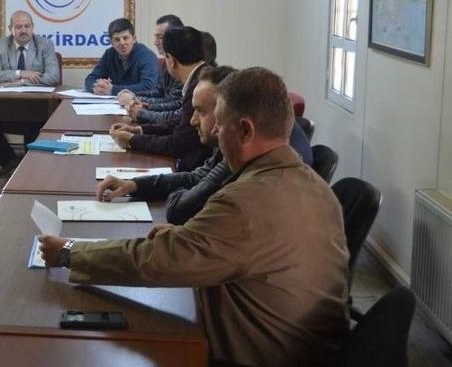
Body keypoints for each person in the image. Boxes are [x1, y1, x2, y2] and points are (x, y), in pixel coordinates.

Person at [40, 67, 350, 366]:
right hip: (304, 345)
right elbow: (230, 249)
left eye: (220, 124)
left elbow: (158, 260)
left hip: (259, 355)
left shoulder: (245, 203)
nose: (214, 130)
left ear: (244, 130)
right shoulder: (317, 188)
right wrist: (186, 241)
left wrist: (70, 252)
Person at [98, 65, 313, 226]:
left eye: (201, 111)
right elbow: (196, 178)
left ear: (225, 110)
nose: (192, 121)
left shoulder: (247, 148)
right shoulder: (258, 136)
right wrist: (134, 185)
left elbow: (179, 209)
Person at [110, 26, 211, 171]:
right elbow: (179, 122)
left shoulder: (200, 86)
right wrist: (139, 130)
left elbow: (179, 143)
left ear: (171, 60)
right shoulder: (200, 76)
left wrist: (133, 140)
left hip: (194, 170)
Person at [0, 10, 60, 177]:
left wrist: (20, 82)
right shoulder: (0, 45)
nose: (23, 30)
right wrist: (20, 73)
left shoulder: (44, 44)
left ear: (32, 27)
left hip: (34, 106)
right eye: (18, 27)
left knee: (34, 122)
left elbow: (53, 77)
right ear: (11, 28)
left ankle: (28, 169)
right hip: (6, 106)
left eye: (27, 26)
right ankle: (8, 160)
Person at [119, 15, 186, 125]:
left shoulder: (182, 64)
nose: (155, 42)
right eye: (155, 37)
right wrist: (134, 97)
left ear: (175, 37)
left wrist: (138, 103)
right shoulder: (166, 61)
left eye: (160, 37)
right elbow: (159, 92)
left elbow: (175, 103)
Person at [84, 18, 158, 95]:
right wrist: (97, 87)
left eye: (125, 38)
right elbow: (90, 79)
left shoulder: (146, 55)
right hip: (115, 103)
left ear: (134, 39)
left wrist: (113, 90)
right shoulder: (109, 54)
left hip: (142, 103)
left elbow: (149, 86)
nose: (122, 43)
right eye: (117, 39)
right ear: (111, 42)